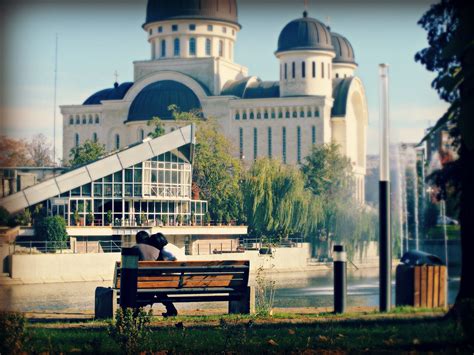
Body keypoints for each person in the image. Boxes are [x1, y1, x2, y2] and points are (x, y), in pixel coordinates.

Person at [148, 233, 182, 317]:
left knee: (156, 288)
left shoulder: (164, 250)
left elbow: (175, 259)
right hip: (182, 276)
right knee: (158, 290)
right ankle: (171, 310)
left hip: (175, 277)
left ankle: (171, 310)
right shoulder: (171, 246)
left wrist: (164, 267)